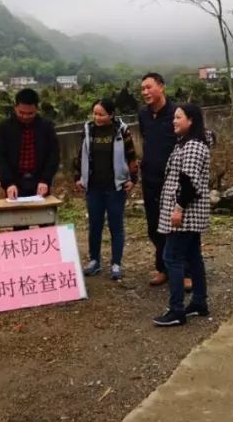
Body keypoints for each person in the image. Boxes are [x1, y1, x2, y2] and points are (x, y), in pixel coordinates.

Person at [153, 103, 213, 327]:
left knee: (172, 258)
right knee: (193, 257)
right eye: (174, 118)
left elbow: (189, 183)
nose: (174, 121)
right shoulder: (187, 144)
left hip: (186, 214)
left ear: (191, 121)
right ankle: (198, 302)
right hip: (188, 214)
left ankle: (177, 309)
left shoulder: (193, 147)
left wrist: (178, 209)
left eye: (179, 117)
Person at [73, 98, 139, 281]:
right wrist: (78, 177)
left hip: (115, 187)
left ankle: (116, 263)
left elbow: (131, 155)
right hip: (93, 186)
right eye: (95, 113)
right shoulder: (88, 130)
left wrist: (133, 178)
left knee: (115, 225)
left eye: (101, 114)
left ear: (111, 114)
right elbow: (81, 154)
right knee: (95, 225)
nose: (97, 117)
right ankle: (94, 261)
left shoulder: (121, 131)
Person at [137, 72, 190, 289]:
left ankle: (187, 272)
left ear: (161, 86)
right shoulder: (143, 115)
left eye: (149, 87)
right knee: (154, 226)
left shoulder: (177, 113)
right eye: (142, 89)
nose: (145, 92)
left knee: (178, 227)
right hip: (150, 179)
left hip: (173, 179)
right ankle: (163, 268)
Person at [0, 88, 60, 199]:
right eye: (21, 113)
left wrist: (45, 180)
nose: (25, 117)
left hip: (39, 181)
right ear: (15, 108)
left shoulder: (46, 127)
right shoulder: (5, 128)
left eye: (30, 113)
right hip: (14, 182)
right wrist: (8, 183)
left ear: (36, 109)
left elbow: (53, 156)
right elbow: (0, 158)